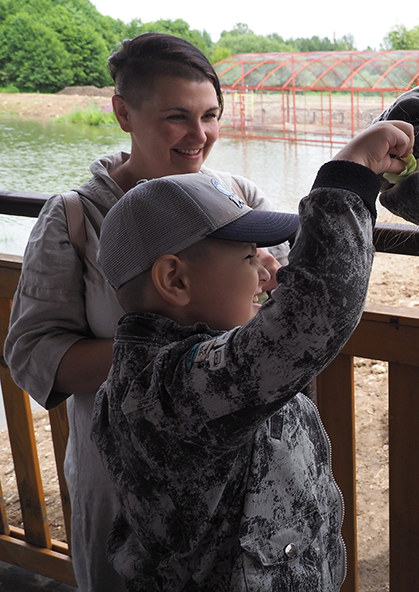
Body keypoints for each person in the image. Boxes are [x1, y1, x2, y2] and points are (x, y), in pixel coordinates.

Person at [3, 33, 285, 592]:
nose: (198, 135)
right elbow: (34, 357)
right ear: (123, 112)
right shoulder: (75, 218)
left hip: (237, 473)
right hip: (122, 481)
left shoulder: (241, 198)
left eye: (210, 115)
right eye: (176, 116)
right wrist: (181, 360)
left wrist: (278, 285)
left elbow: (291, 304)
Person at [91, 120, 414, 590]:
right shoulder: (170, 390)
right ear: (175, 280)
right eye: (248, 255)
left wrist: (357, 197)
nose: (270, 267)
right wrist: (348, 176)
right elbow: (312, 318)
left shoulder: (181, 366)